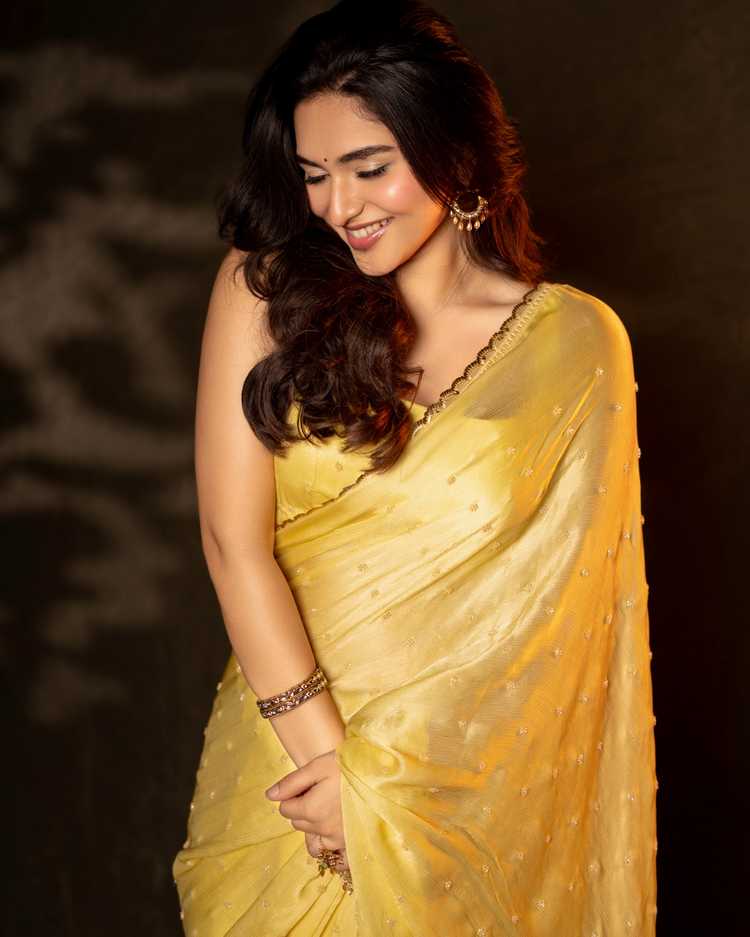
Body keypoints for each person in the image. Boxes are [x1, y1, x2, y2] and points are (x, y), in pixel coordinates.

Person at [172, 1, 657, 934]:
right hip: (292, 777)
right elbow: (233, 544)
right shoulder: (264, 290)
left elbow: (561, 640)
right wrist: (336, 778)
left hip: (468, 794)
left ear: (455, 155)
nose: (338, 207)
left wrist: (393, 799)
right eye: (314, 175)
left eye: (369, 168)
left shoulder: (575, 344)